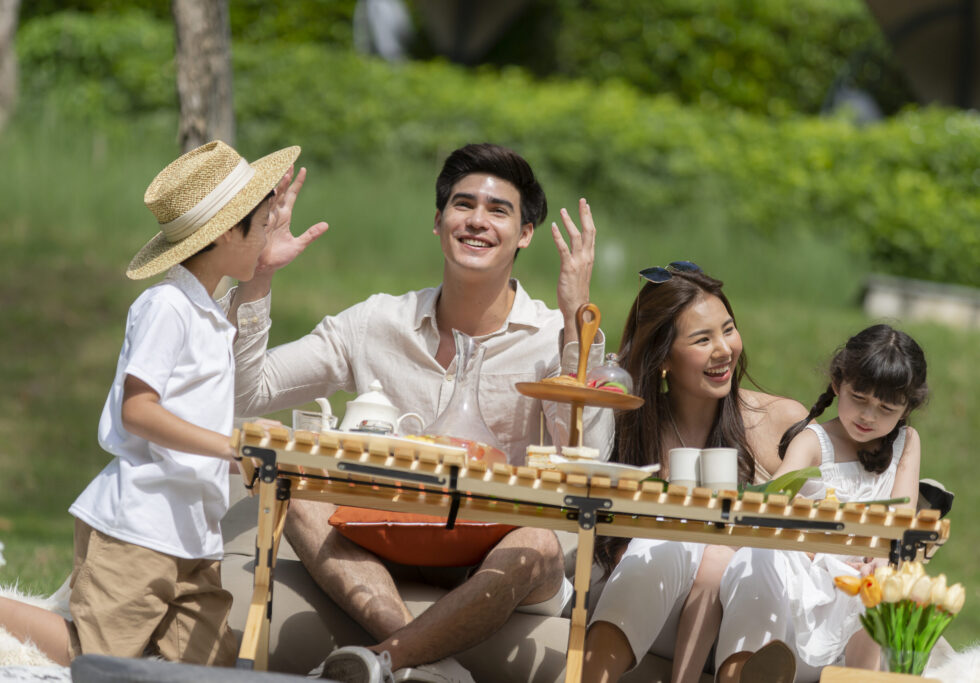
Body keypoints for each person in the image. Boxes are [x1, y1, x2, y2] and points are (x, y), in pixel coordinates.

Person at [225, 142, 614, 681]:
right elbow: (249, 393)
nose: (477, 220)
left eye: (498, 210)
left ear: (524, 234)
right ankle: (426, 665)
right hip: (380, 535)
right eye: (463, 205)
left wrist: (577, 320)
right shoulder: (376, 323)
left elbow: (587, 457)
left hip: (495, 547)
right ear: (438, 222)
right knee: (294, 484)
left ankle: (389, 659)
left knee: (538, 543)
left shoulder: (554, 337)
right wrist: (259, 277)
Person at [0, 140, 303, 665]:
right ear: (229, 231)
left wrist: (264, 267)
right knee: (94, 658)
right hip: (137, 527)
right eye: (263, 221)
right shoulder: (166, 306)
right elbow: (137, 411)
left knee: (209, 665)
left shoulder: (204, 312)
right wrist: (229, 446)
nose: (270, 228)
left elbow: (217, 376)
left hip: (191, 531)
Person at [582, 262, 810, 683]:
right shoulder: (632, 422)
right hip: (657, 607)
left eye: (728, 329)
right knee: (664, 543)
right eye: (702, 339)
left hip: (751, 607)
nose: (723, 348)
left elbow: (814, 531)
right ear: (663, 356)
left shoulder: (776, 421)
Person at [714, 324, 927, 682]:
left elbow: (901, 520)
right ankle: (743, 669)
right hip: (808, 573)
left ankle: (857, 675)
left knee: (885, 583)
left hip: (864, 575)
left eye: (886, 408)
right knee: (761, 555)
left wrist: (877, 560)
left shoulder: (907, 441)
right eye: (859, 398)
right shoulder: (814, 441)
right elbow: (774, 507)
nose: (868, 417)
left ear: (906, 409)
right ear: (837, 383)